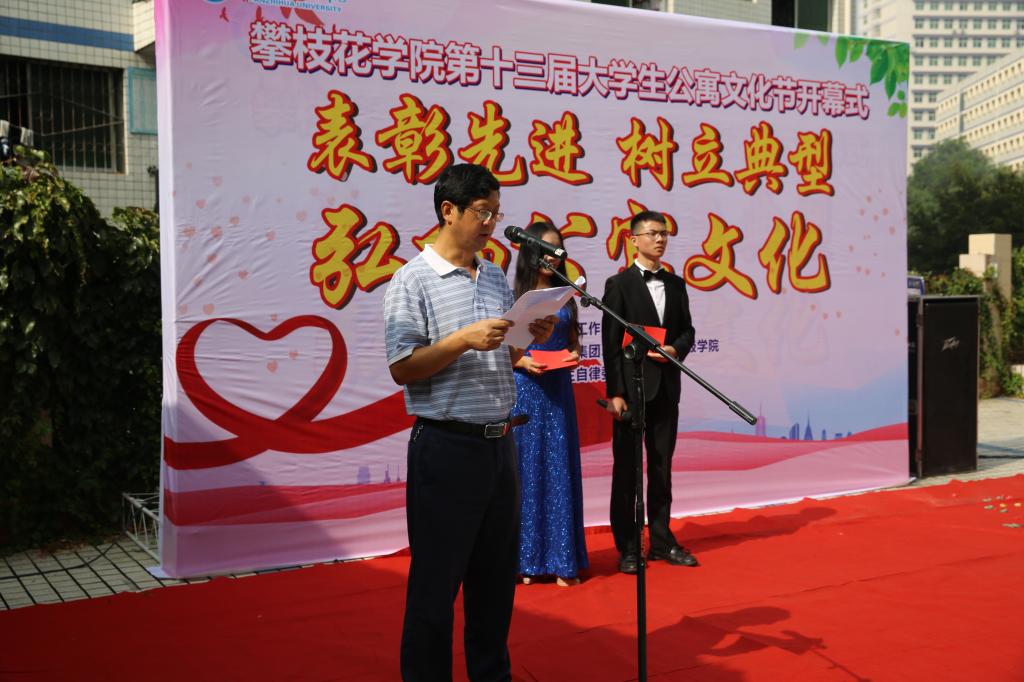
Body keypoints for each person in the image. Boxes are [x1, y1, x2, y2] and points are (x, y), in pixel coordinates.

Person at [383, 163, 555, 682]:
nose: (491, 223)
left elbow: (504, 354)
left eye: (496, 212)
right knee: (435, 589)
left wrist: (528, 336)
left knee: (494, 585)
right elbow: (402, 367)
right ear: (448, 211)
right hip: (446, 447)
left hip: (500, 445)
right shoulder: (412, 280)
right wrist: (462, 339)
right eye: (482, 212)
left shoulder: (495, 274)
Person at [601, 210, 698, 575]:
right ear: (633, 240)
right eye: (653, 233)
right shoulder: (619, 284)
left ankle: (661, 541)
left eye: (664, 234)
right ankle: (628, 546)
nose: (660, 239)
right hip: (631, 390)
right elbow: (611, 344)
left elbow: (687, 330)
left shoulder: (676, 284)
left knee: (661, 468)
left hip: (666, 388)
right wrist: (616, 392)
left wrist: (676, 349)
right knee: (627, 471)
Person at [510, 222, 589, 588]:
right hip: (526, 388)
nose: (551, 257)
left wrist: (574, 354)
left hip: (558, 390)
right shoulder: (516, 295)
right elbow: (500, 349)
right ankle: (526, 559)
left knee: (558, 469)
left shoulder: (566, 295)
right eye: (544, 249)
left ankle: (562, 559)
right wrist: (522, 361)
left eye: (557, 250)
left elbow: (573, 341)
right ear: (529, 252)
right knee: (527, 470)